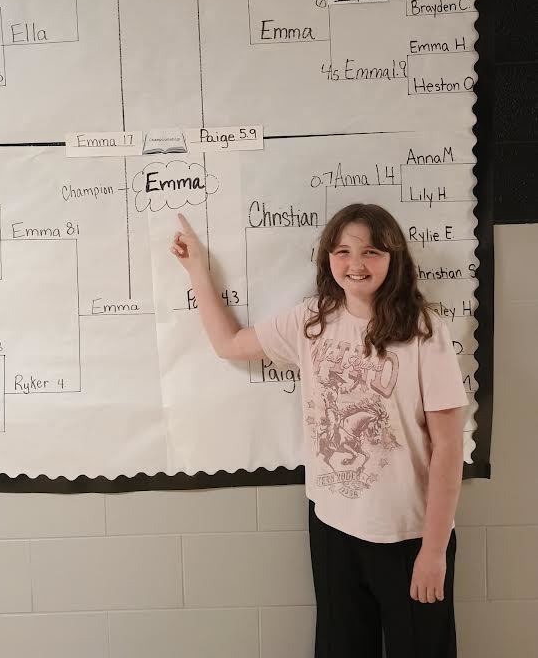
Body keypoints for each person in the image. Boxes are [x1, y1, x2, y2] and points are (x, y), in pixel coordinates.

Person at [171, 203, 468, 658]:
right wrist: (197, 268)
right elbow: (229, 344)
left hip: (408, 537)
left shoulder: (425, 334)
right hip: (333, 527)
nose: (355, 264)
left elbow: (448, 449)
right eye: (342, 250)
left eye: (371, 251)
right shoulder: (311, 321)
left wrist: (434, 552)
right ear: (328, 257)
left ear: (394, 258)